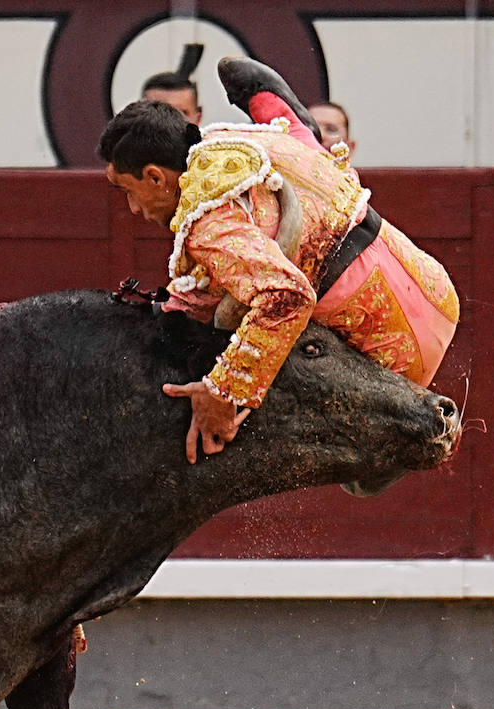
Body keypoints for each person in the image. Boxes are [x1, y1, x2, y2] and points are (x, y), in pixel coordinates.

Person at [99, 57, 458, 465]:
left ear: (155, 177)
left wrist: (224, 392)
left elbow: (287, 296)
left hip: (393, 365)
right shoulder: (226, 140)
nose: (131, 208)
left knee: (223, 340)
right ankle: (295, 125)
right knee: (296, 150)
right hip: (435, 288)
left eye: (128, 190)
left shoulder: (210, 224)